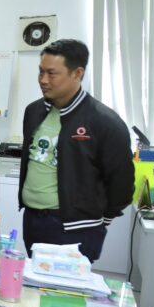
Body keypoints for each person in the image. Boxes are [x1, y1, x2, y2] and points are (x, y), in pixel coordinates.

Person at [19, 39, 133, 262]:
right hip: (33, 220)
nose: (43, 80)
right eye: (41, 72)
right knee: (35, 281)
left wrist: (100, 220)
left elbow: (122, 183)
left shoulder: (104, 122)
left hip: (76, 228)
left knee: (66, 285)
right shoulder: (34, 111)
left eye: (52, 74)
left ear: (77, 74)